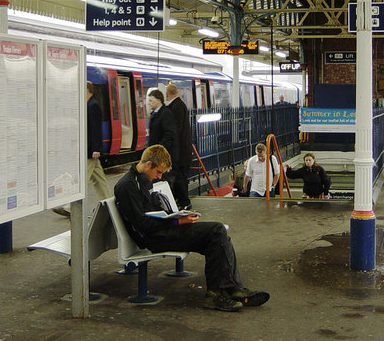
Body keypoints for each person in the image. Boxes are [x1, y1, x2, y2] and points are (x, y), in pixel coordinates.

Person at [114, 145, 270, 312]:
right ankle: (218, 294)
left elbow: (152, 213)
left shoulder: (142, 180)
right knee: (216, 230)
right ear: (148, 164)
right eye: (158, 172)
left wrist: (177, 217)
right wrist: (176, 222)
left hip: (163, 230)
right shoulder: (128, 186)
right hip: (155, 238)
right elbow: (143, 225)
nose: (159, 177)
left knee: (219, 238)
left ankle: (231, 288)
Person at [53, 81, 110, 217]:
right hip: (88, 148)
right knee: (99, 180)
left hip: (91, 150)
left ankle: (69, 207)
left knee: (81, 179)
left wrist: (96, 148)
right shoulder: (88, 104)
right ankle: (110, 203)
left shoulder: (93, 105)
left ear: (88, 90)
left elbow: (96, 129)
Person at [165, 84, 192, 210]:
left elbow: (176, 130)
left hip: (180, 152)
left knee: (180, 177)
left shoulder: (176, 107)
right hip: (182, 151)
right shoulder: (180, 105)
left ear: (167, 94)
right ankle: (181, 201)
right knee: (180, 177)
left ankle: (184, 202)